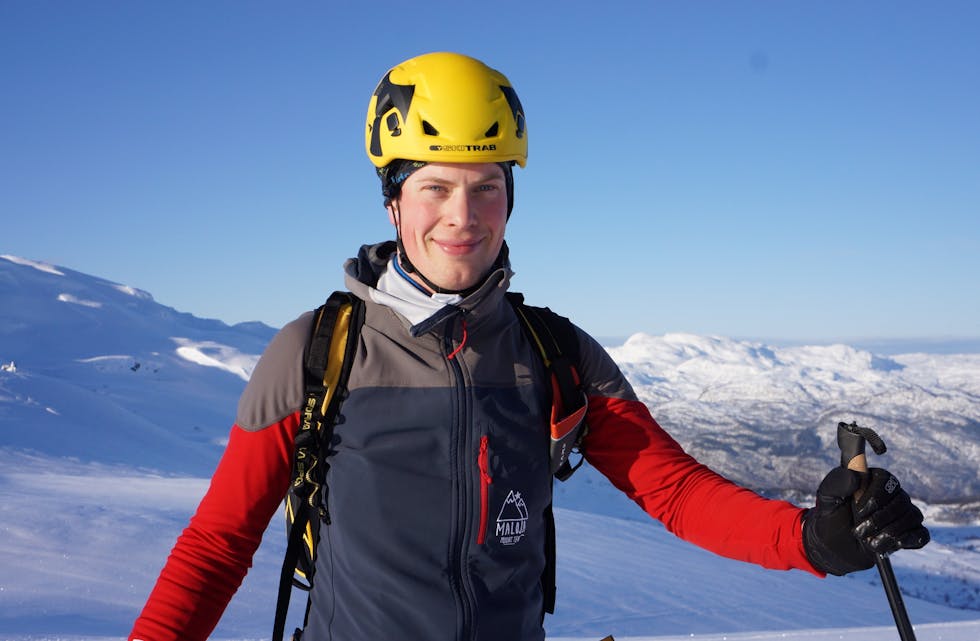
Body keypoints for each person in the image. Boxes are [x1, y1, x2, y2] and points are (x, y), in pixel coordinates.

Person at [129, 52, 929, 641]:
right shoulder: (319, 352)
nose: (463, 215)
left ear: (511, 198)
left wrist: (815, 540)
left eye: (487, 186)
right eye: (435, 186)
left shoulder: (555, 353)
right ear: (393, 203)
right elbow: (218, 541)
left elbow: (676, 491)